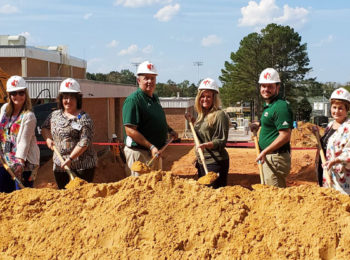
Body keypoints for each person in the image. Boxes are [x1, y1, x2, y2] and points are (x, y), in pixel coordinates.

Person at [122, 61, 178, 176]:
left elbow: (157, 120)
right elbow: (130, 130)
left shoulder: (154, 98)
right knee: (139, 190)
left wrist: (170, 130)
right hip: (139, 154)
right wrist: (151, 146)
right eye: (146, 78)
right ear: (138, 80)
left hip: (155, 153)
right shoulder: (133, 100)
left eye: (152, 78)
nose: (149, 81)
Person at [41, 78, 97, 189]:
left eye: (72, 97)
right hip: (60, 166)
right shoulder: (54, 115)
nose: (68, 101)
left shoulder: (84, 118)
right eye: (65, 97)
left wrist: (70, 159)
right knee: (65, 197)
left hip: (82, 167)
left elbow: (84, 142)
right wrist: (48, 139)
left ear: (78, 99)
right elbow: (45, 128)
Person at [250, 68, 293, 187]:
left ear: (277, 88)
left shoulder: (280, 106)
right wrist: (260, 124)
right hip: (270, 157)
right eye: (263, 86)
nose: (266, 89)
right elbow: (273, 122)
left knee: (274, 198)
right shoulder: (270, 106)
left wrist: (264, 151)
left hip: (275, 158)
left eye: (270, 86)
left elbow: (285, 135)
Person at [185, 78, 230, 189]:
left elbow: (221, 141)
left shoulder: (220, 115)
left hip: (215, 162)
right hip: (202, 161)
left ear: (214, 98)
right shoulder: (201, 116)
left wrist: (206, 145)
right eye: (202, 96)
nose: (205, 99)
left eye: (208, 96)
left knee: (214, 195)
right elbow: (202, 134)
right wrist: (192, 122)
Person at [0, 75, 40, 192]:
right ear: (9, 95)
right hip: (5, 161)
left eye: (21, 93)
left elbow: (24, 141)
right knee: (4, 194)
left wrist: (20, 163)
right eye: (14, 93)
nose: (17, 96)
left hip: (24, 164)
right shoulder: (4, 110)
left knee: (22, 197)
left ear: (25, 94)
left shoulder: (29, 116)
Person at [319, 88, 350, 195]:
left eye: (340, 108)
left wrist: (335, 161)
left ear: (347, 109)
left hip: (342, 179)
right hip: (327, 173)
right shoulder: (330, 125)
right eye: (334, 107)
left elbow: (348, 152)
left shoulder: (348, 127)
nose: (336, 111)